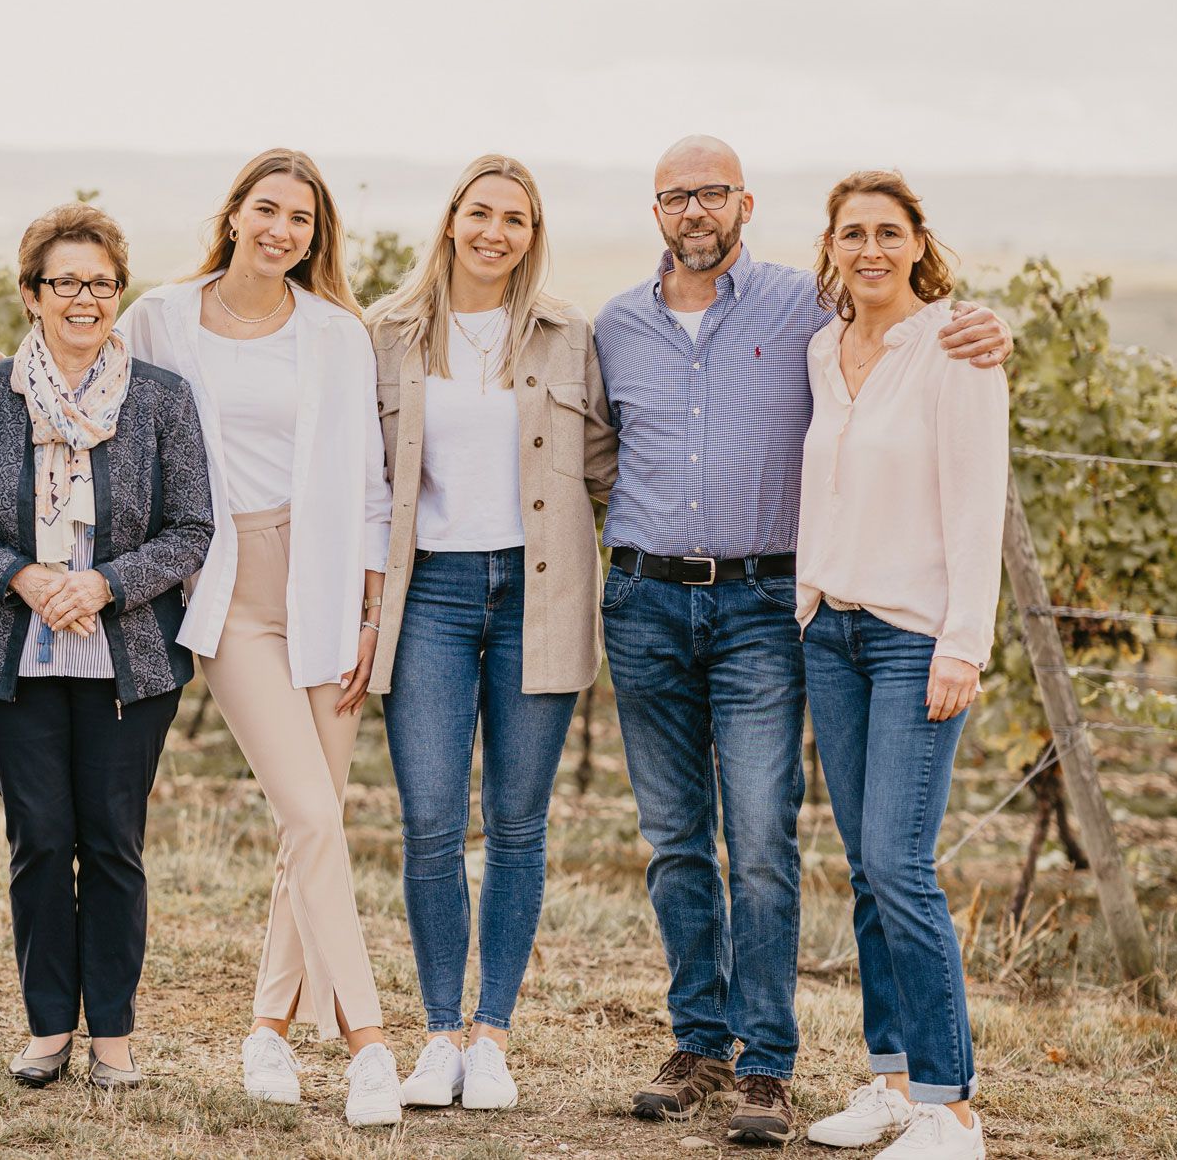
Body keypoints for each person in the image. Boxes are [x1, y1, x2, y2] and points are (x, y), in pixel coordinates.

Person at [593, 136, 1009, 1144]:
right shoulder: (634, 327)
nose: (695, 210)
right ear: (656, 210)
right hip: (698, 611)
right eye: (675, 196)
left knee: (795, 848)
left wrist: (992, 325)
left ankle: (804, 1073)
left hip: (786, 615)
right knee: (691, 844)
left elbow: (965, 462)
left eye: (713, 192)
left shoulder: (823, 314)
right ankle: (737, 1050)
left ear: (745, 203)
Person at [123, 148, 400, 1126]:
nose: (282, 230)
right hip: (229, 592)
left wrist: (370, 614)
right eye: (268, 209)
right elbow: (88, 375)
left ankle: (268, 1032)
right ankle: (370, 1045)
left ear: (315, 237)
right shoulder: (161, 315)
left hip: (324, 589)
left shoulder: (335, 332)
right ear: (234, 212)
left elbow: (368, 482)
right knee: (314, 814)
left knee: (309, 821)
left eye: (301, 219)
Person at [0, 204, 212, 1091]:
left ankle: (114, 1035)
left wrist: (103, 584)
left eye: (101, 282)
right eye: (65, 282)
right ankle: (49, 1025)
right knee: (42, 842)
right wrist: (22, 576)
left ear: (118, 292)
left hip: (129, 658)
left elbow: (191, 528)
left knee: (115, 844)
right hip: (14, 657)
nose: (84, 298)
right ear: (31, 294)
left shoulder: (161, 398)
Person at [362, 155, 615, 1111]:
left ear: (532, 233)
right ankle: (438, 1035)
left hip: (537, 593)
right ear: (451, 220)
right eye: (481, 213)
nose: (495, 232)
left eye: (515, 218)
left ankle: (493, 1035)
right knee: (430, 820)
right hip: (429, 594)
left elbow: (609, 466)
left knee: (516, 823)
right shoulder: (387, 332)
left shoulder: (568, 334)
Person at [796, 172, 1005, 1160]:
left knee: (899, 863)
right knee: (865, 869)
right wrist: (806, 601)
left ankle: (950, 1108)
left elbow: (976, 500)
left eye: (888, 231)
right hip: (830, 636)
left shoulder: (955, 347)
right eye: (852, 233)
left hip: (913, 637)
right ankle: (888, 1082)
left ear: (918, 242)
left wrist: (963, 640)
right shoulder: (821, 350)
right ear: (831, 246)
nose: (870, 248)